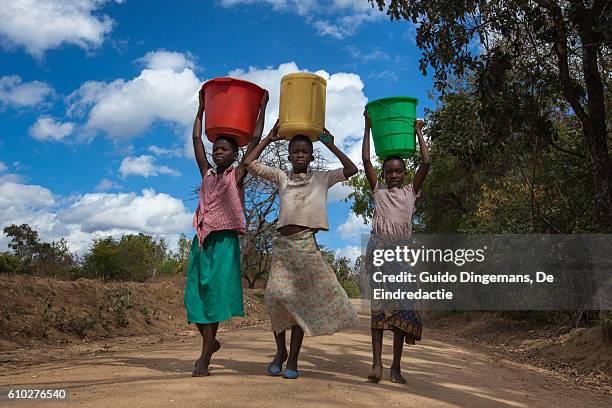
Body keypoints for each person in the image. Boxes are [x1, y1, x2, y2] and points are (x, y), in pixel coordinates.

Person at [243, 123, 359, 379]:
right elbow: (249, 163)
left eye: (304, 151)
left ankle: (293, 360)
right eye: (294, 151)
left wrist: (330, 143)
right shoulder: (281, 177)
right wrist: (269, 139)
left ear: (311, 155)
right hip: (283, 247)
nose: (299, 155)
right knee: (275, 297)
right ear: (288, 155)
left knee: (298, 303)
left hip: (306, 244)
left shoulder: (322, 178)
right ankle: (280, 352)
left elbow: (352, 169)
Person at [184, 86, 269, 377]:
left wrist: (262, 107)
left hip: (225, 242)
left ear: (235, 154)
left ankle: (204, 358)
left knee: (216, 297)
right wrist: (201, 108)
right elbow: (196, 137)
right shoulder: (206, 173)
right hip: (202, 240)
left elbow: (256, 139)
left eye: (225, 149)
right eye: (216, 149)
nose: (218, 152)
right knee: (194, 297)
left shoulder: (238, 174)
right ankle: (211, 342)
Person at [362, 109, 430, 384]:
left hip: (402, 256)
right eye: (389, 171)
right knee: (379, 311)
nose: (394, 175)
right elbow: (366, 158)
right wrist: (367, 126)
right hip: (380, 253)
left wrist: (418, 131)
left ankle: (396, 366)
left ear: (404, 174)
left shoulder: (410, 192)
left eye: (398, 171)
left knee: (402, 309)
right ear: (383, 174)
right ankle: (377, 364)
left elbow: (426, 162)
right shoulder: (377, 191)